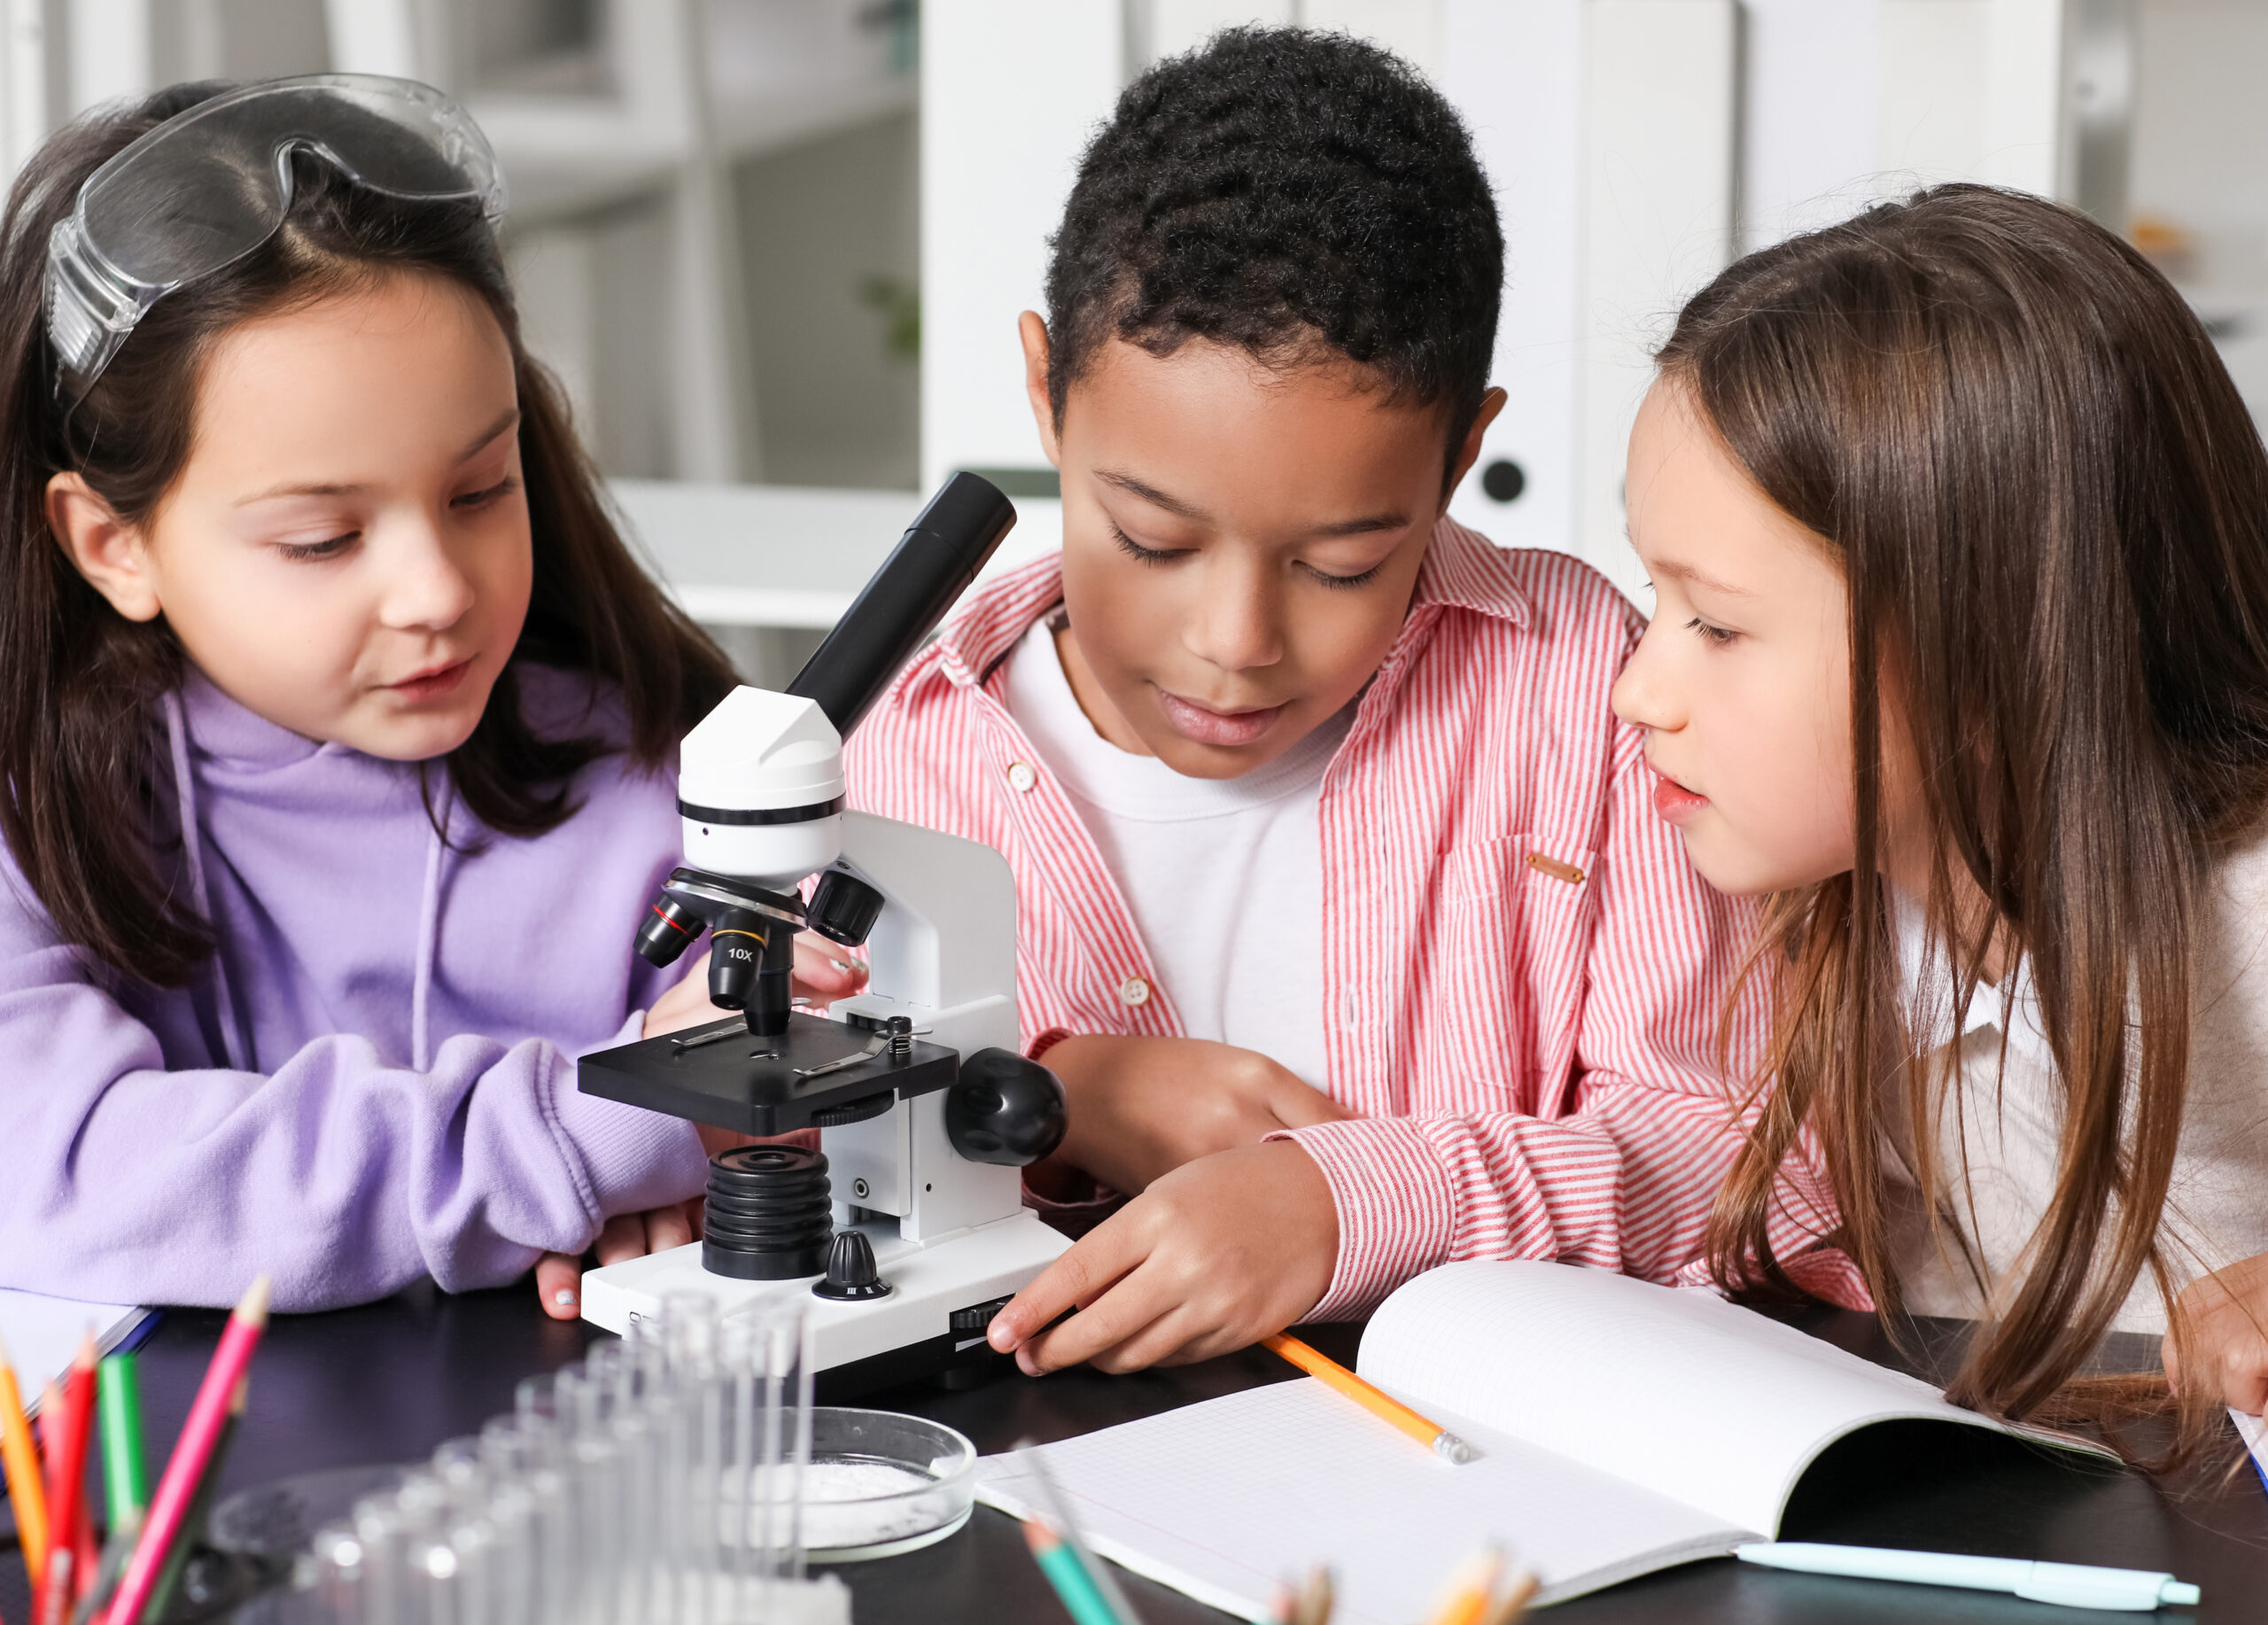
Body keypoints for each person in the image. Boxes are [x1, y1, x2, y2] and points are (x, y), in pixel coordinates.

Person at [845, 27, 1766, 1373]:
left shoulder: (1582, 688)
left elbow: (1738, 1163)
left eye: (1343, 564)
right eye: (1153, 541)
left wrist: (1356, 1203)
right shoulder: (897, 744)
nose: (1235, 644)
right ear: (1047, 395)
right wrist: (1054, 1094)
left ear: (1459, 456)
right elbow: (770, 1128)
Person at [0, 77, 856, 1312]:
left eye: (477, 490)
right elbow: (60, 1173)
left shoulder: (675, 786)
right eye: (322, 539)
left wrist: (715, 1160)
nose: (437, 592)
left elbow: (803, 1094)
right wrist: (591, 1135)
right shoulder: (37, 818)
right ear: (110, 545)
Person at [1612, 182, 2268, 1442]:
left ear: (1992, 660)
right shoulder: (1782, 909)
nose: (1637, 689)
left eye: (1718, 624)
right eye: (1652, 597)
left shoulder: (2239, 917)